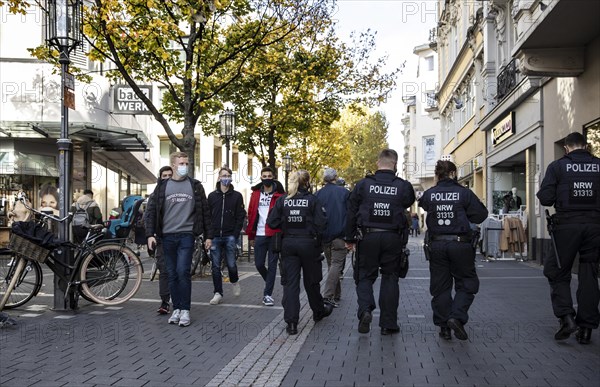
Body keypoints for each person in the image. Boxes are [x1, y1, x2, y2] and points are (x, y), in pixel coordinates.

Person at [536, 132, 600, 345]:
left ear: (566, 148)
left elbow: (545, 198)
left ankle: (566, 318)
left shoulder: (558, 166)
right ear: (586, 146)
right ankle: (586, 329)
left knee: (556, 270)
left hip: (567, 226)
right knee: (589, 273)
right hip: (595, 226)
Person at [344, 149, 415, 335]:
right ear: (395, 164)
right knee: (390, 278)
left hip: (367, 237)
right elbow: (408, 202)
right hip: (393, 237)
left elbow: (351, 211)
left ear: (378, 163)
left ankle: (366, 310)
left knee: (364, 276)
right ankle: (388, 324)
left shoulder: (363, 185)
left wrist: (349, 238)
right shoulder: (403, 186)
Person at [418, 160, 488, 341]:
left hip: (437, 245)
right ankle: (456, 317)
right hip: (461, 244)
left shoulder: (430, 193)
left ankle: (444, 328)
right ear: (453, 174)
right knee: (467, 283)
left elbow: (423, 204)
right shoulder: (464, 193)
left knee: (440, 287)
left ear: (437, 175)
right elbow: (481, 215)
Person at [145, 152, 213, 327]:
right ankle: (176, 308)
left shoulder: (195, 186)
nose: (185, 166)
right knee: (171, 273)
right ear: (173, 165)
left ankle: (185, 310)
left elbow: (205, 212)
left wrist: (208, 236)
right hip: (166, 237)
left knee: (183, 271)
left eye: (187, 163)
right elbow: (151, 211)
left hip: (186, 236)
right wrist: (150, 234)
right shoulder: (162, 187)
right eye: (181, 163)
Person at [267, 170, 333, 334]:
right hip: (309, 244)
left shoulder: (283, 200)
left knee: (291, 284)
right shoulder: (312, 200)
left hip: (288, 244)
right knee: (312, 282)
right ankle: (318, 312)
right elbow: (321, 223)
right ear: (307, 183)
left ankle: (291, 323)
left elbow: (271, 222)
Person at [246, 166, 285, 306]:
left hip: (274, 234)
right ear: (261, 177)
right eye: (264, 176)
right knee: (259, 264)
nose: (267, 178)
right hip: (260, 234)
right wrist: (251, 235)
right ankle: (270, 280)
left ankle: (267, 294)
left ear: (273, 177)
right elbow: (251, 213)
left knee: (273, 265)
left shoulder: (280, 195)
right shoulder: (256, 194)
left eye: (269, 176)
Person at [207, 167, 246, 305]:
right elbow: (208, 217)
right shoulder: (212, 196)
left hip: (230, 235)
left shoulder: (237, 196)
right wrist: (209, 236)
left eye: (228, 175)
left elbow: (240, 216)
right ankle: (218, 293)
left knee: (231, 264)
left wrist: (235, 234)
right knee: (215, 266)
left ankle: (234, 281)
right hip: (215, 236)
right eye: (224, 175)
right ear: (219, 177)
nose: (226, 177)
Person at [315, 168, 349, 307]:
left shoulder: (318, 194)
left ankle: (337, 294)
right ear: (336, 177)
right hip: (340, 235)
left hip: (325, 236)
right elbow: (350, 214)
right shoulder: (345, 193)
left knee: (332, 265)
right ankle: (328, 295)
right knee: (336, 266)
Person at [144, 166, 173, 314]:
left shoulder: (177, 192)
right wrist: (150, 235)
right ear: (159, 177)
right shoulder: (155, 194)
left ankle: (178, 300)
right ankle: (164, 302)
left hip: (178, 236)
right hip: (162, 237)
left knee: (179, 270)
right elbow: (149, 214)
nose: (167, 178)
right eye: (164, 175)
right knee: (164, 269)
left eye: (169, 175)